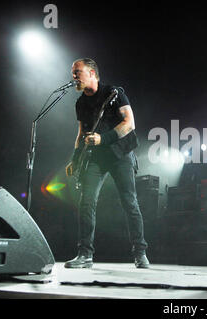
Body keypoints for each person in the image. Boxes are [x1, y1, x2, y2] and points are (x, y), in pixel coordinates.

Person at [64, 58, 149, 269]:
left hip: (120, 155)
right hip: (96, 158)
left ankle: (140, 253)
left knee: (130, 203)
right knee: (86, 202)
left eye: (78, 72)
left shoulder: (114, 92)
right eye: (72, 72)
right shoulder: (81, 103)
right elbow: (81, 133)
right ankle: (85, 255)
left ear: (92, 73)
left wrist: (104, 138)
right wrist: (74, 159)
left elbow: (129, 123)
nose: (74, 76)